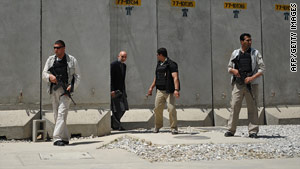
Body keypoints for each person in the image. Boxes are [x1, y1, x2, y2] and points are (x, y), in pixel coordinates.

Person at [225, 33, 265, 138]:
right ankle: (230, 130)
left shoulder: (255, 53)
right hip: (238, 84)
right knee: (234, 106)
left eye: (250, 40)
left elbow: (262, 69)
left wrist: (252, 78)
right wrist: (234, 70)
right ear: (242, 42)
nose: (250, 42)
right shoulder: (235, 53)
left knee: (252, 107)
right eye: (247, 40)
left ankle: (253, 131)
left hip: (251, 84)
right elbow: (229, 67)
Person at [42, 40, 80, 146]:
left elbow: (78, 77)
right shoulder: (50, 60)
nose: (56, 50)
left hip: (66, 91)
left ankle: (56, 138)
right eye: (54, 47)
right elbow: (44, 73)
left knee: (62, 113)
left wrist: (72, 87)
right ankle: (65, 137)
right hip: (54, 90)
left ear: (64, 48)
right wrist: (50, 77)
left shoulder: (72, 60)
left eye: (58, 48)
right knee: (57, 114)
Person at [147, 47, 180, 135]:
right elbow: (156, 77)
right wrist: (151, 87)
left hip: (169, 91)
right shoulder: (159, 64)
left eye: (157, 54)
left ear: (161, 55)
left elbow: (175, 77)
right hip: (160, 90)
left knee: (171, 109)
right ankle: (157, 126)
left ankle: (173, 128)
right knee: (157, 108)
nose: (157, 56)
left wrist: (176, 90)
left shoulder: (171, 64)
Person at [110, 51, 129, 130]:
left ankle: (113, 122)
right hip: (115, 90)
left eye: (125, 57)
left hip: (122, 90)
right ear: (118, 56)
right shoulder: (113, 65)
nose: (123, 58)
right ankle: (117, 125)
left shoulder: (124, 66)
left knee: (124, 108)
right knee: (117, 108)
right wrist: (112, 90)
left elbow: (122, 79)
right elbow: (110, 78)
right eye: (122, 56)